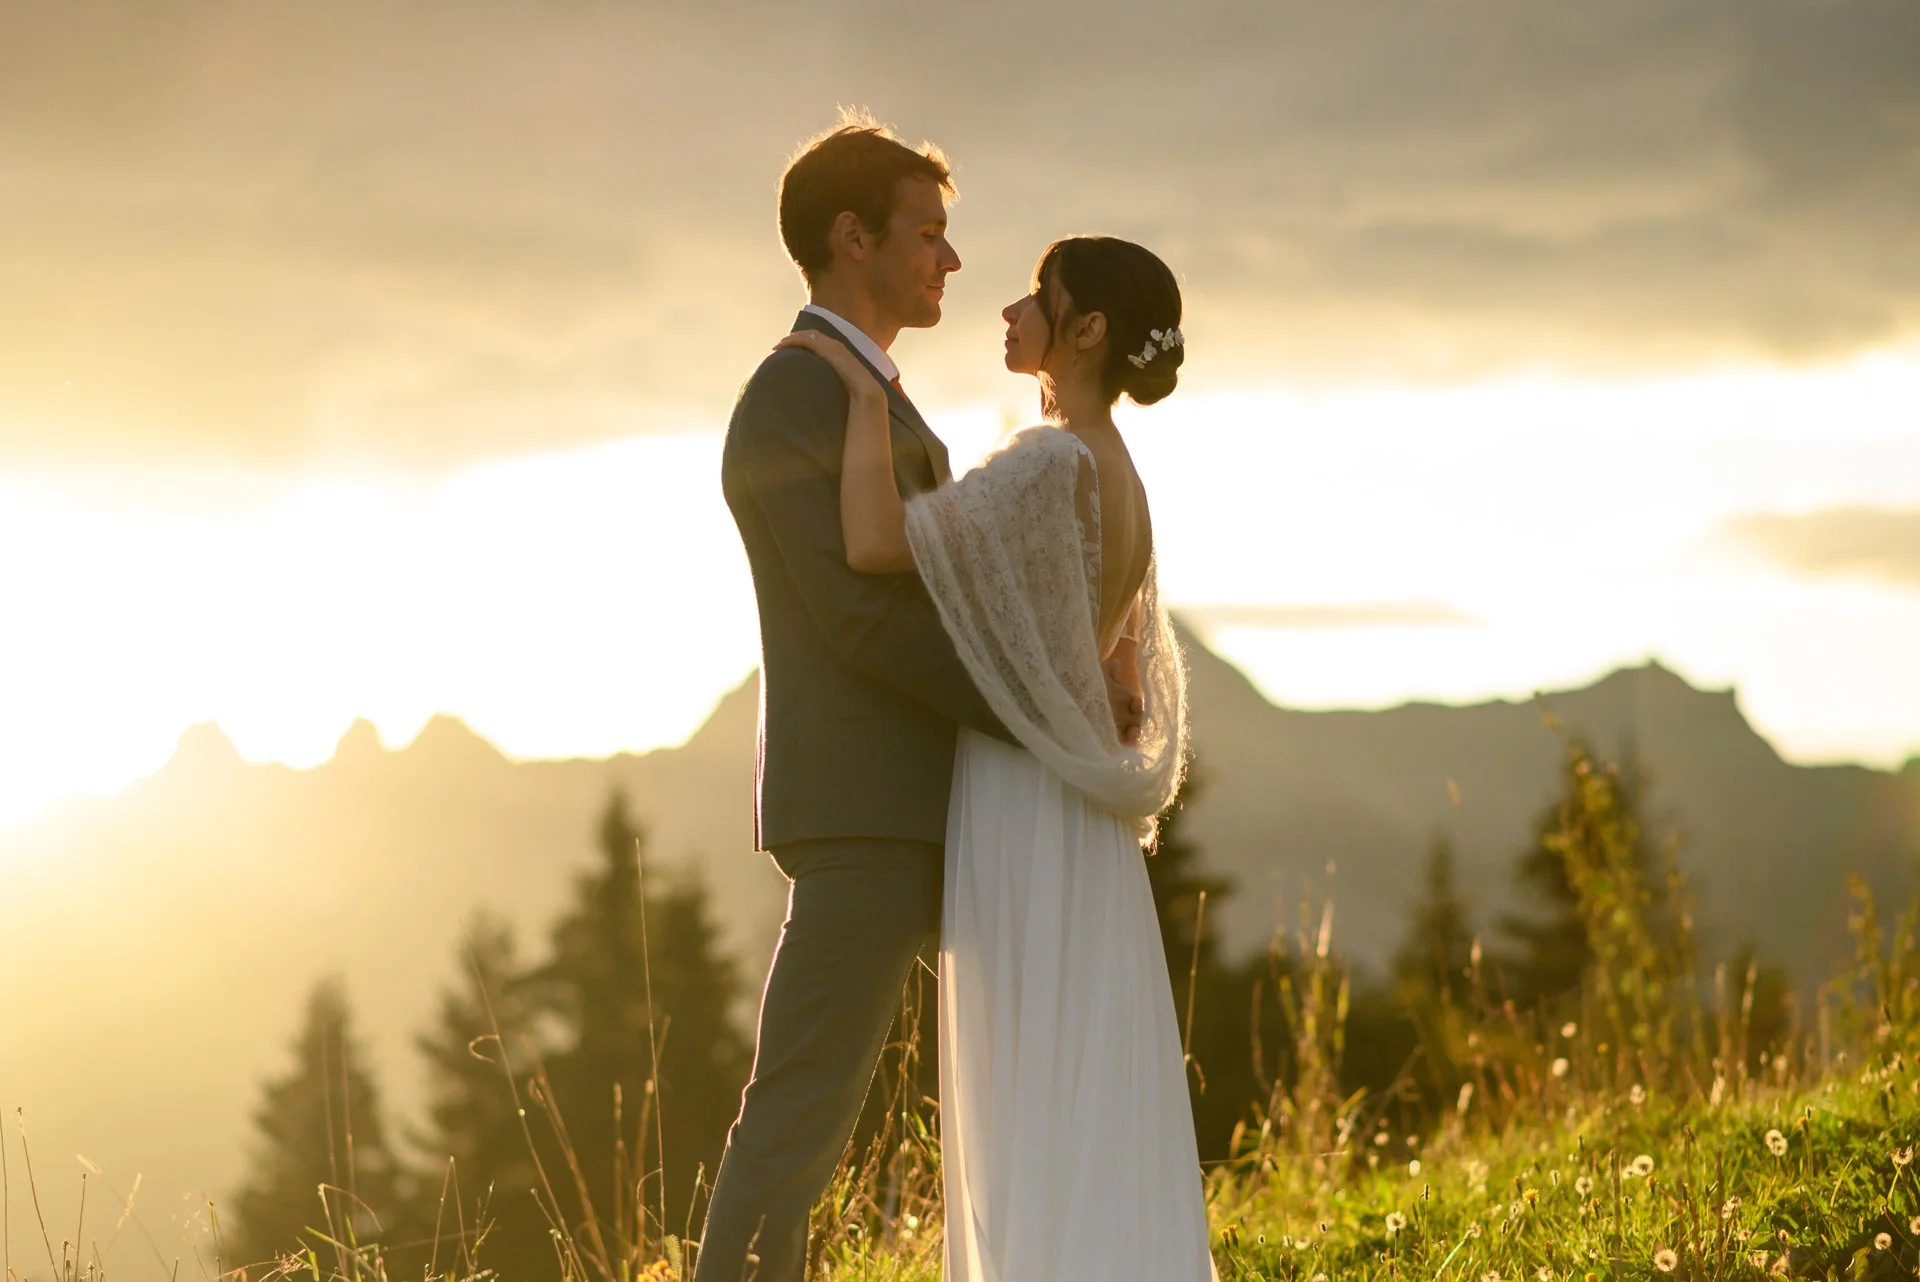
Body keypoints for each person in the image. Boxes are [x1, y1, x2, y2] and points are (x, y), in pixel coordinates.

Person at [698, 120, 1144, 1282]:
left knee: (994, 1084)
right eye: (930, 233)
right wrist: (1043, 706)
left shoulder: (876, 400)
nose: (951, 263)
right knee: (795, 1118)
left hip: (927, 806)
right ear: (853, 239)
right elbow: (858, 617)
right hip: (865, 812)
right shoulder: (794, 396)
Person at [776, 232, 1212, 1281]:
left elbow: (878, 542)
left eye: (1039, 297)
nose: (1012, 312)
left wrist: (867, 394)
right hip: (1083, 816)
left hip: (1021, 794)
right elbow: (1113, 663)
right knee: (1082, 1063)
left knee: (1023, 1063)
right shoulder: (1125, 478)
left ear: (1089, 331)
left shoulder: (1051, 462)